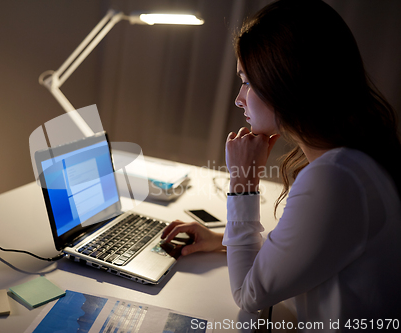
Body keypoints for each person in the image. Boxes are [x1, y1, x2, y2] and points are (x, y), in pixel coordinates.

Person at [161, 0, 401, 326]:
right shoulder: (352, 159)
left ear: (286, 81)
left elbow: (248, 295)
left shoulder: (334, 178)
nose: (238, 98)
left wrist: (243, 181)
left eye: (246, 81)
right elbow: (302, 248)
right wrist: (223, 240)